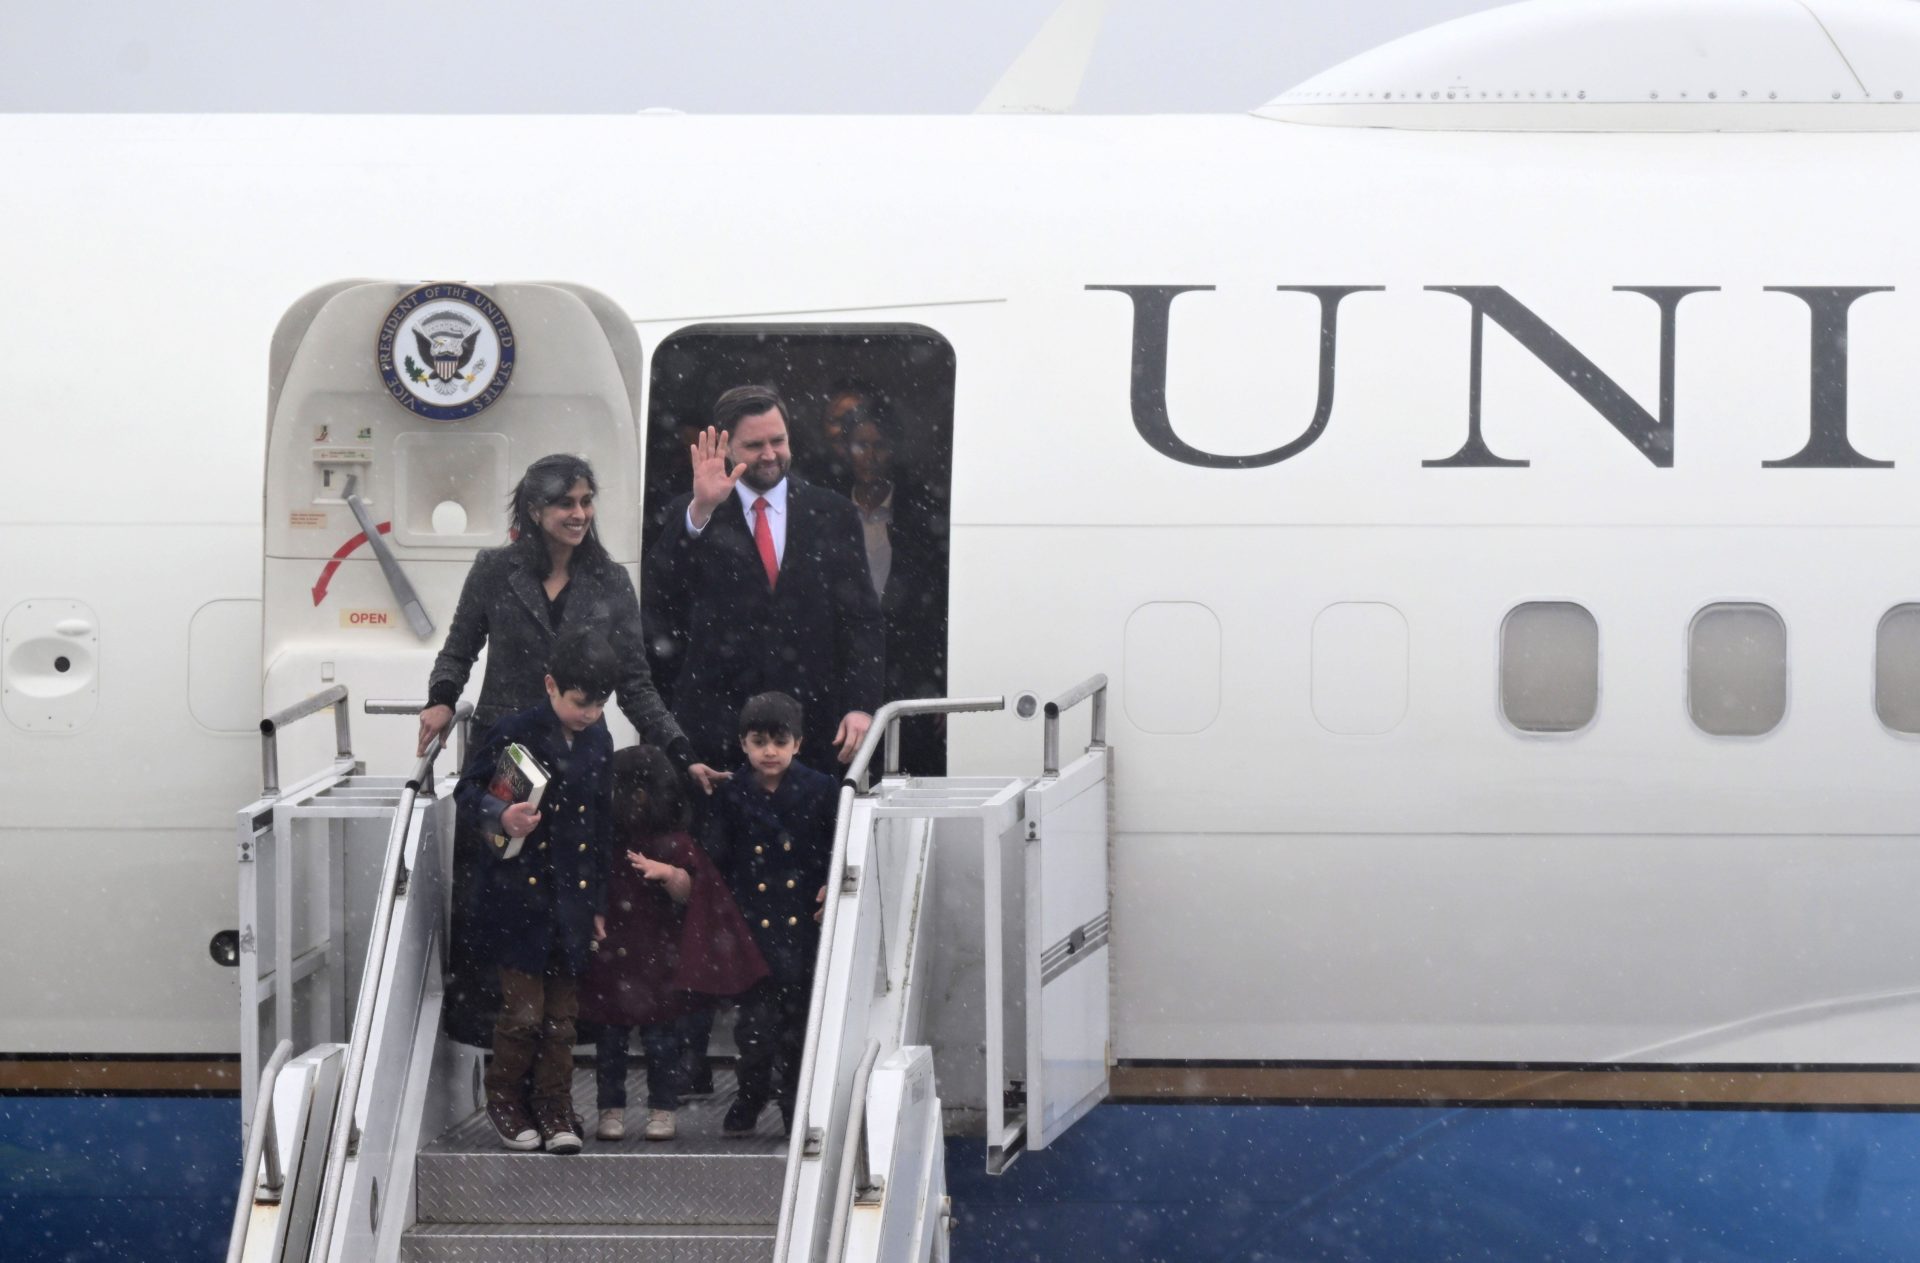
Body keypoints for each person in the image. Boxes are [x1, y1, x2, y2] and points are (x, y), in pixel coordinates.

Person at [420, 453, 723, 1046]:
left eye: (587, 502)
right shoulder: (493, 570)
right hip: (506, 756)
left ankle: (568, 1044)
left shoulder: (610, 580)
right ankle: (491, 1041)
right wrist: (440, 699)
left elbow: (635, 683)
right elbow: (459, 649)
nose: (580, 513)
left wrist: (681, 749)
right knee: (497, 896)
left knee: (572, 894)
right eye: (566, 503)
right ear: (534, 510)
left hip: (580, 760)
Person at [644, 384, 885, 777]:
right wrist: (701, 510)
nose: (770, 454)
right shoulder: (693, 512)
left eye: (778, 440)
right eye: (755, 445)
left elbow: (862, 621)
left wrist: (861, 706)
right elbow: (659, 596)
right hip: (718, 733)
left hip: (814, 729)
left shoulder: (833, 512)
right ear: (725, 448)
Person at [454, 628, 619, 1155]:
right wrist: (500, 813)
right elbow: (466, 789)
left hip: (571, 898)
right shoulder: (514, 730)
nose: (589, 714)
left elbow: (599, 824)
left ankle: (554, 1104)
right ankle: (505, 1098)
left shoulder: (600, 739)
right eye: (580, 703)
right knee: (523, 1014)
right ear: (551, 686)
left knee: (563, 1018)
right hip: (517, 899)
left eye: (599, 704)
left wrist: (597, 902)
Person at [578, 746, 767, 1143]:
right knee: (609, 1045)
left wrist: (669, 873)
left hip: (655, 965)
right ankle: (609, 1108)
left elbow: (695, 893)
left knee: (662, 1045)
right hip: (616, 961)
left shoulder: (675, 843)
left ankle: (662, 1109)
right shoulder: (604, 840)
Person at [702, 692, 837, 1137]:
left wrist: (829, 886)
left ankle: (794, 1104)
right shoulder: (731, 794)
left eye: (780, 741)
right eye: (759, 741)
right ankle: (751, 1093)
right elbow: (717, 861)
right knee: (754, 1029)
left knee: (800, 1027)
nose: (770, 751)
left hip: (804, 927)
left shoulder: (823, 791)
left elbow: (840, 849)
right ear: (743, 744)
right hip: (753, 928)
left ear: (798, 743)